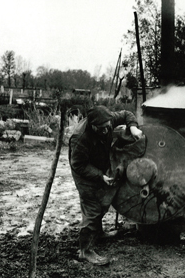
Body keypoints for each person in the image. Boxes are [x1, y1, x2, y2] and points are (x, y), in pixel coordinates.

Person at [68, 105, 143, 265]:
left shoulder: (108, 120)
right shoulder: (80, 138)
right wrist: (100, 176)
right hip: (84, 173)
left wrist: (134, 128)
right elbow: (78, 165)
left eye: (108, 126)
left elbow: (126, 113)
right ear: (92, 125)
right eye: (101, 129)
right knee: (92, 209)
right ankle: (85, 250)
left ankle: (99, 233)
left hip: (100, 164)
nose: (106, 130)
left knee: (104, 200)